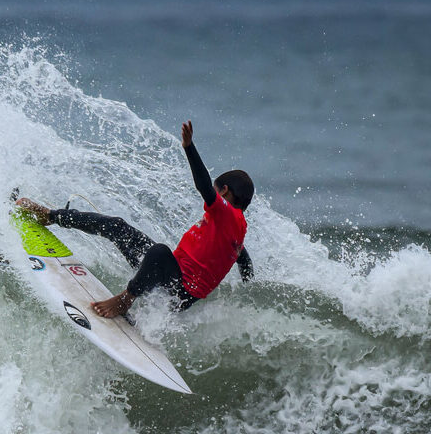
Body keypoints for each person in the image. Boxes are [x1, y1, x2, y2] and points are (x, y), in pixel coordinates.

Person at [16, 120, 253, 318]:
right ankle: (50, 216)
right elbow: (242, 257)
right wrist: (249, 290)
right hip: (167, 277)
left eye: (216, 191)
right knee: (117, 226)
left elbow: (203, 186)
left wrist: (189, 147)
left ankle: (124, 301)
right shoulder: (237, 229)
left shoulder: (226, 213)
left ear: (224, 192)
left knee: (159, 251)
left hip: (175, 293)